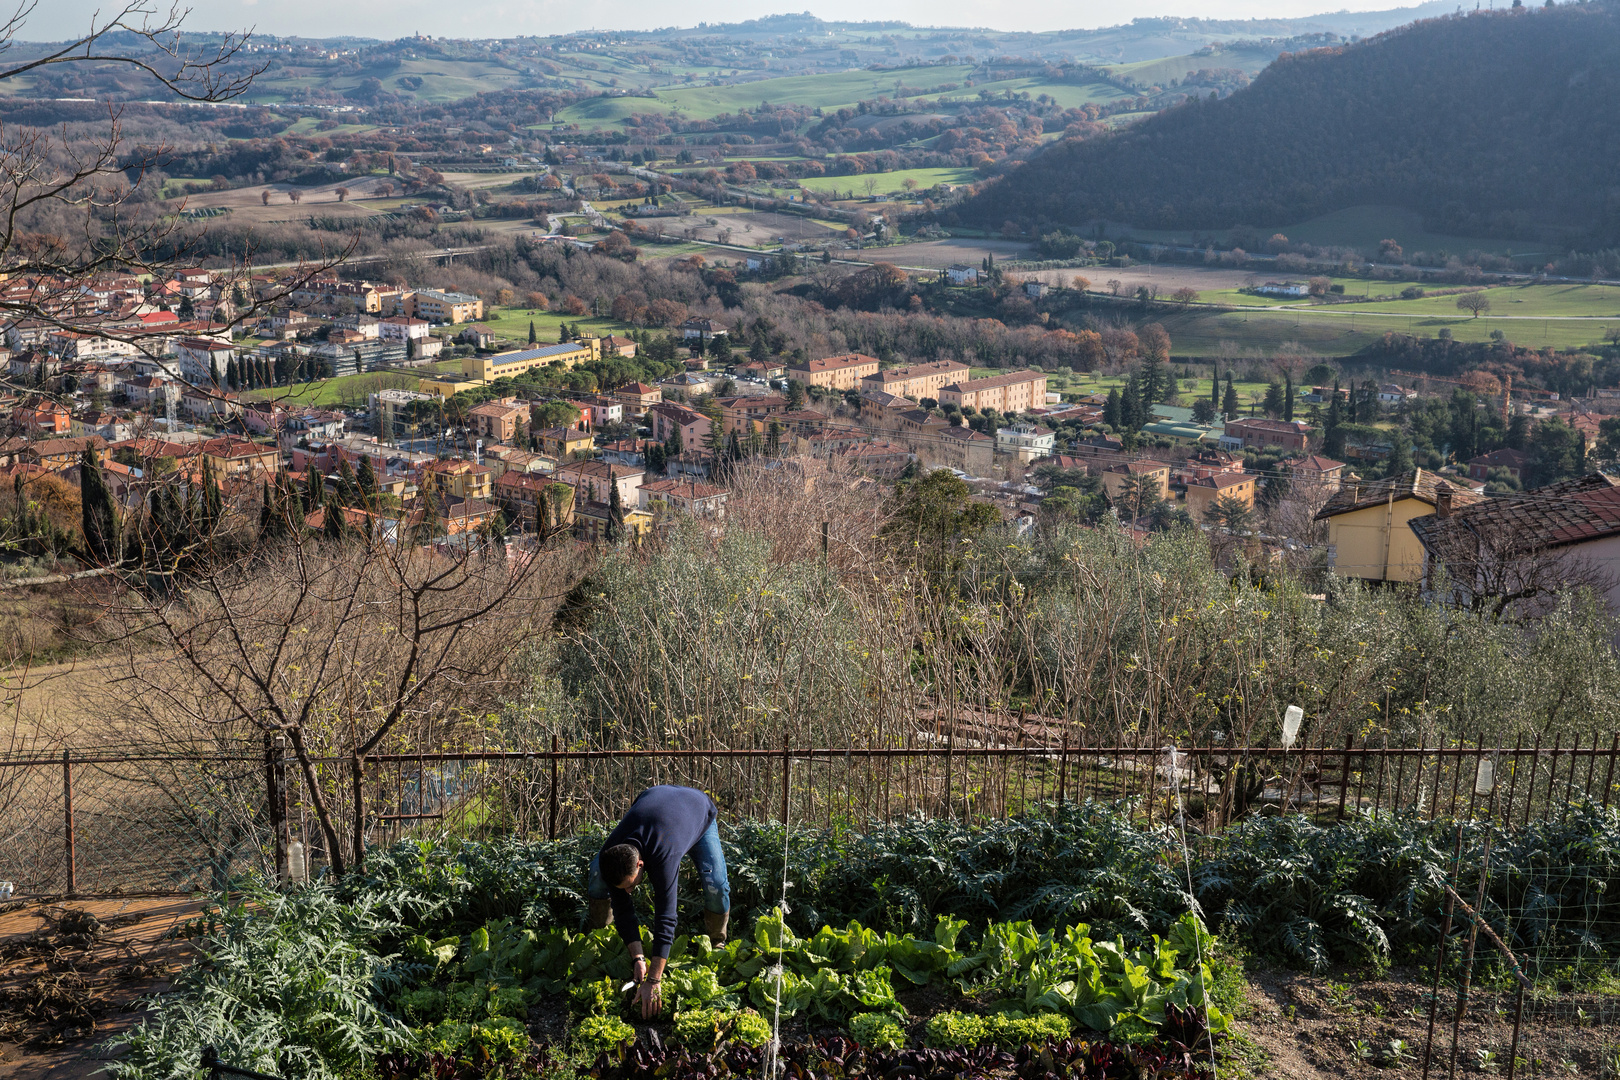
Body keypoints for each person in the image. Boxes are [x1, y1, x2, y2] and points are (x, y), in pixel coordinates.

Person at [588, 785, 730, 1018]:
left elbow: (666, 916)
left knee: (716, 884)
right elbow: (622, 907)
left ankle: (717, 944)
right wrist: (638, 957)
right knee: (596, 876)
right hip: (653, 799)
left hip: (696, 811)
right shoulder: (611, 853)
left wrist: (654, 979)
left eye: (632, 884)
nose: (630, 891)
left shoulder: (663, 857)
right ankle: (599, 940)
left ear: (641, 865)